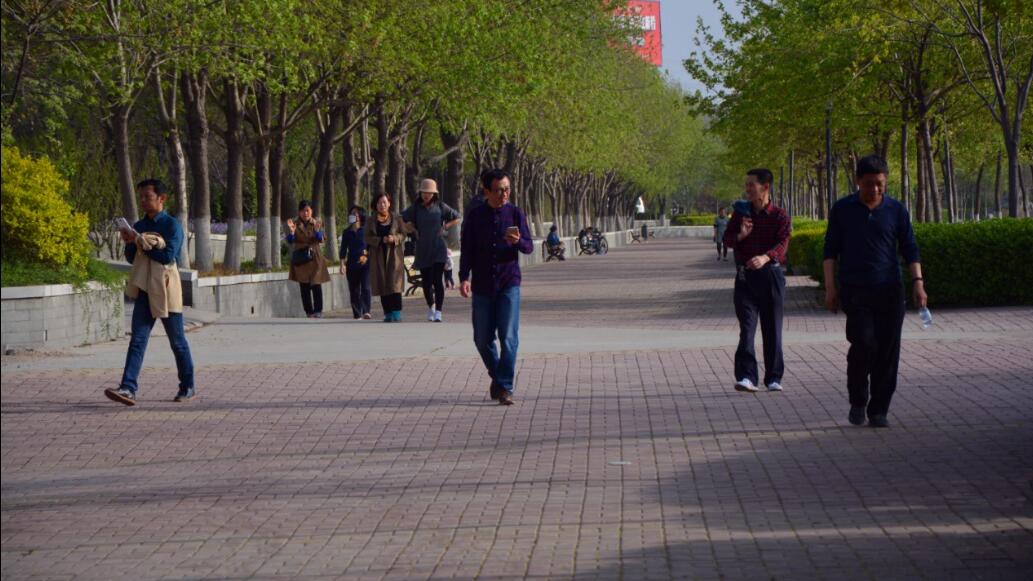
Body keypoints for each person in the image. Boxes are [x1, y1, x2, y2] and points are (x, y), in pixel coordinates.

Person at [823, 155, 927, 429]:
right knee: (864, 343)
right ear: (858, 181)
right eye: (870, 184)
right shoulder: (842, 209)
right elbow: (830, 251)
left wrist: (918, 282)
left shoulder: (896, 210)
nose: (876, 189)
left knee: (888, 352)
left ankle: (879, 409)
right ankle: (858, 399)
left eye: (881, 184)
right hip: (856, 290)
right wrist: (831, 288)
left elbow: (910, 248)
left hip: (890, 290)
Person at [104, 179, 195, 406]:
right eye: (141, 197)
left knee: (177, 341)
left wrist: (140, 242)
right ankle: (128, 387)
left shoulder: (172, 225)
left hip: (166, 289)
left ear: (161, 198)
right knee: (138, 339)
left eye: (148, 196)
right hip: (145, 288)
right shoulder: (140, 225)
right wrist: (130, 242)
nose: (143, 201)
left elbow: (167, 256)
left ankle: (187, 386)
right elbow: (131, 258)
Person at [460, 169, 534, 406]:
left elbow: (529, 247)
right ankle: (499, 378)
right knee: (482, 339)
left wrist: (518, 241)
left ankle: (505, 387)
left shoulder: (515, 213)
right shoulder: (475, 216)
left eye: (507, 189)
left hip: (508, 282)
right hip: (482, 285)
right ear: (486, 191)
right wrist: (464, 277)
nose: (504, 194)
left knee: (509, 337)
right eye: (499, 190)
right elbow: (467, 249)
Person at [723, 168, 790, 394]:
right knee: (747, 328)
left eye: (751, 185)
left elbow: (782, 245)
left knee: (772, 329)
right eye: (747, 185)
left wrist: (765, 257)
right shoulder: (741, 214)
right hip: (745, 279)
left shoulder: (780, 216)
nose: (747, 189)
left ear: (765, 187)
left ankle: (773, 377)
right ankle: (746, 377)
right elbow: (727, 239)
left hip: (771, 278)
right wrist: (741, 235)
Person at [403, 178, 461, 322]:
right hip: (423, 248)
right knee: (427, 282)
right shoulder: (416, 207)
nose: (426, 195)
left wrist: (446, 226)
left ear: (434, 194)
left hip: (438, 248)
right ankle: (431, 307)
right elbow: (402, 218)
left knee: (437, 280)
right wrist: (412, 228)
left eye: (429, 193)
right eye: (424, 192)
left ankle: (439, 311)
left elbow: (457, 217)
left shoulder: (440, 206)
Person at [365, 192, 407, 322]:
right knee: (382, 284)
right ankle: (388, 313)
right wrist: (380, 240)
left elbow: (403, 234)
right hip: (378, 256)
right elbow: (367, 237)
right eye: (379, 202)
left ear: (389, 203)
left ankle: (397, 313)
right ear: (375, 205)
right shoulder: (371, 221)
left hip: (394, 256)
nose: (382, 205)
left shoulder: (397, 218)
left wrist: (394, 238)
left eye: (384, 202)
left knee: (395, 284)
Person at [287, 200, 331, 318]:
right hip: (301, 258)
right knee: (304, 286)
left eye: (307, 210)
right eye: (302, 211)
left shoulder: (316, 223)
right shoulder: (295, 224)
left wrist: (317, 231)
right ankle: (309, 311)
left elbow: (322, 239)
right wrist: (292, 232)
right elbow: (290, 241)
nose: (305, 213)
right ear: (299, 212)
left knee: (316, 284)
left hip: (315, 257)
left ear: (311, 211)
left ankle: (318, 311)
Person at [340, 205, 372, 319]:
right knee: (354, 290)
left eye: (356, 214)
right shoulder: (346, 232)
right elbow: (343, 249)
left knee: (366, 287)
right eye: (352, 214)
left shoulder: (366, 230)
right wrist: (342, 265)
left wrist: (367, 256)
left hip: (365, 264)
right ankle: (357, 313)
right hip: (352, 265)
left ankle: (366, 311)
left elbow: (370, 246)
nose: (354, 216)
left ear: (360, 216)